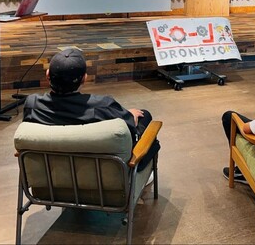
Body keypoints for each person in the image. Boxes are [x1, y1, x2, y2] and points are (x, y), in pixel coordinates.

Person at [23, 48, 160, 172]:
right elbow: (129, 127)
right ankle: (140, 173)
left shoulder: (32, 106)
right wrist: (129, 115)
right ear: (84, 78)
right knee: (144, 116)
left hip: (51, 176)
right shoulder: (103, 106)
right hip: (100, 177)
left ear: (47, 74)